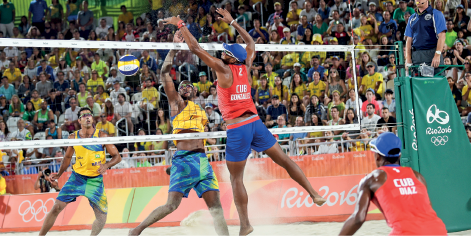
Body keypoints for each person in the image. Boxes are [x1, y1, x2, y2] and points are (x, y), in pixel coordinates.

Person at [164, 9, 326, 235]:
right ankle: (313, 193)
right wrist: (233, 23)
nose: (221, 54)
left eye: (224, 52)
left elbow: (195, 48)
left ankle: (245, 225)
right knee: (285, 161)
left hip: (238, 128)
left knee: (235, 178)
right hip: (256, 123)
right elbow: (251, 44)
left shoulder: (223, 69)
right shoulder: (246, 66)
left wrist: (180, 24)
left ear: (230, 58)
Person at [129, 42, 229, 236]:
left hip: (202, 162)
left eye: (189, 86)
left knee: (216, 209)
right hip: (184, 159)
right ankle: (136, 230)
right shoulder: (176, 103)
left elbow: (207, 137)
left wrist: (214, 143)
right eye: (182, 86)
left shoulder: (200, 111)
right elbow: (164, 74)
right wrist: (174, 49)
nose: (185, 88)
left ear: (195, 91)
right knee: (171, 206)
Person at [339, 132, 448, 236]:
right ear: (399, 155)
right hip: (439, 231)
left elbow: (358, 218)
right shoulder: (417, 176)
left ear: (377, 156)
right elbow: (428, 209)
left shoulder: (373, 178)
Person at [38, 107, 122, 236]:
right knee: (56, 208)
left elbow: (117, 156)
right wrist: (59, 174)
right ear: (79, 120)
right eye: (84, 115)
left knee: (102, 218)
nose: (87, 117)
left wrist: (106, 165)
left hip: (95, 181)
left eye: (89, 114)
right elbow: (67, 158)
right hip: (77, 178)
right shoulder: (74, 137)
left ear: (92, 118)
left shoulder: (102, 136)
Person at [405, 0, 446, 75]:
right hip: (416, 55)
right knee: (417, 84)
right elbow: (409, 39)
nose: (418, 1)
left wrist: (437, 54)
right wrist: (408, 58)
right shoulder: (412, 18)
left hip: (431, 54)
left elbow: (442, 36)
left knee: (435, 83)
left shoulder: (436, 14)